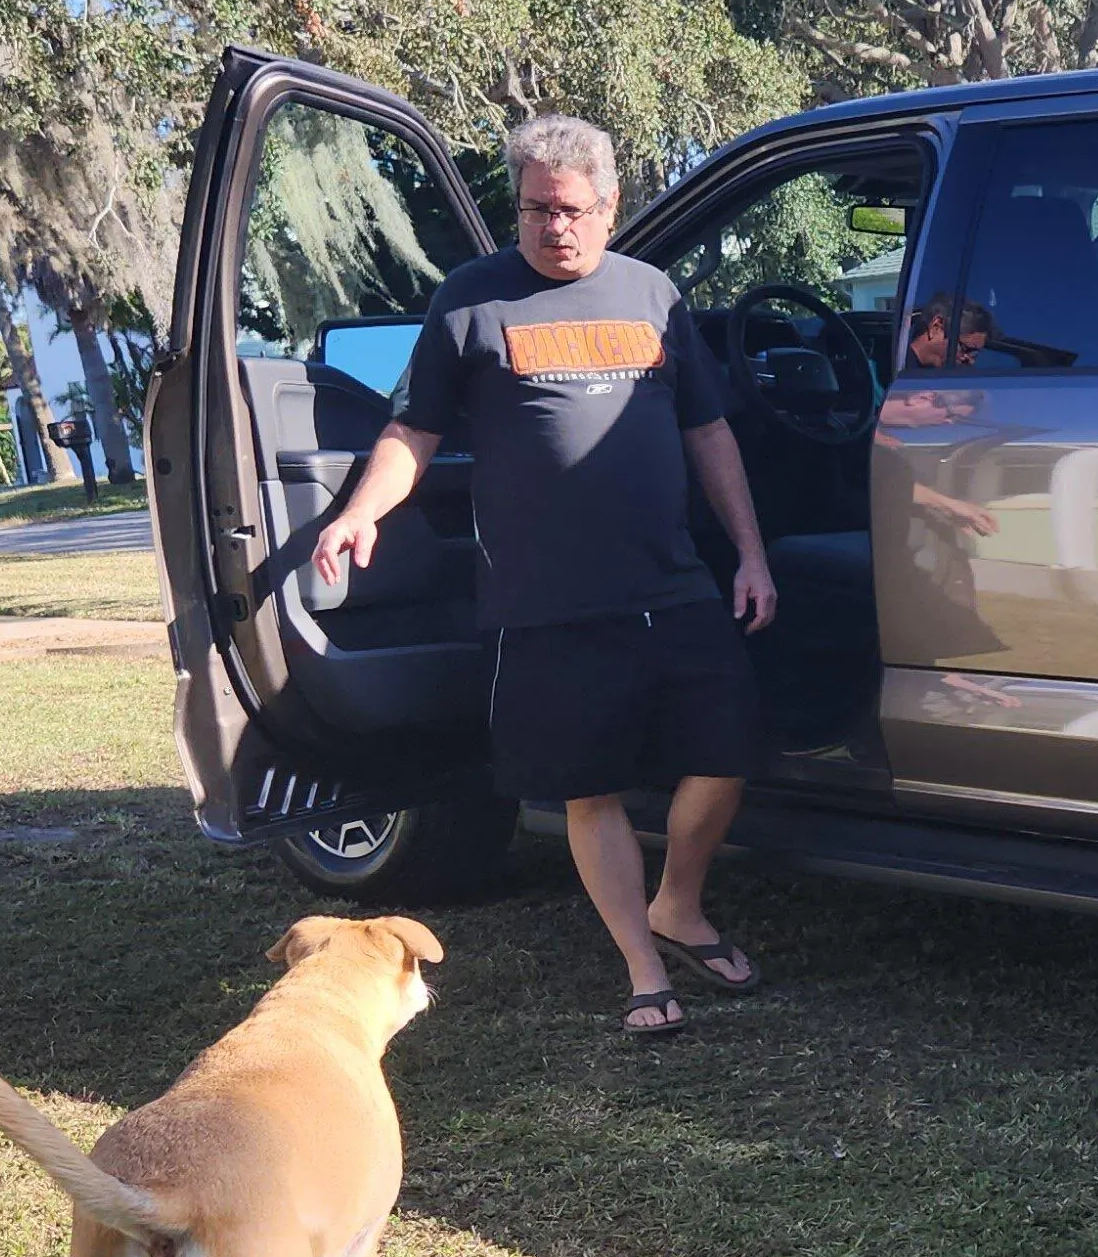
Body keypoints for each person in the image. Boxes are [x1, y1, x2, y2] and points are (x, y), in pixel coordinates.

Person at [311, 113, 780, 1040]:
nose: (552, 228)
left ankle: (677, 904)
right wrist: (362, 510)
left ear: (608, 206)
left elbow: (708, 433)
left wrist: (752, 554)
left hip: (671, 581)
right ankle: (644, 971)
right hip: (546, 600)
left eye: (570, 211)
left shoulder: (654, 296)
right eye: (533, 211)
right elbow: (414, 430)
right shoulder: (473, 300)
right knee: (587, 788)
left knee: (726, 755)